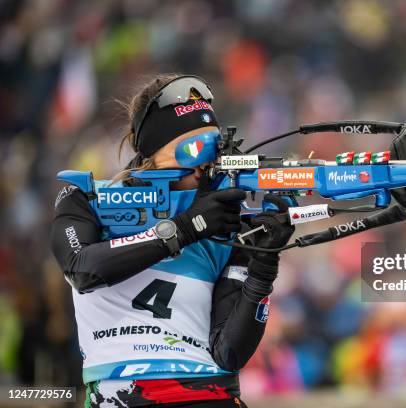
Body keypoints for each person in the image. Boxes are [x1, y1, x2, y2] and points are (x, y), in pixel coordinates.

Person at [51, 74, 295, 407]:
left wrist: (265, 265)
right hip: (123, 396)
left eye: (214, 146)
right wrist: (184, 228)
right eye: (193, 149)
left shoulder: (225, 224)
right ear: (154, 152)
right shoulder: (86, 199)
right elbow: (82, 269)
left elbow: (229, 353)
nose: (206, 163)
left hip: (208, 393)